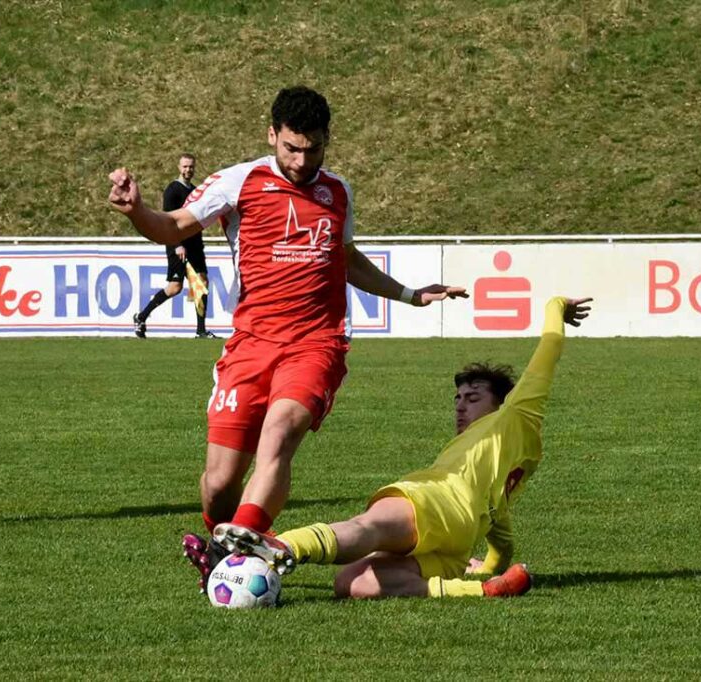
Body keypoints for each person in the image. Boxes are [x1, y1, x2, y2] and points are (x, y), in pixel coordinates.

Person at [108, 85, 467, 590]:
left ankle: (229, 555)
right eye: (291, 148)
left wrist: (410, 294)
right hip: (250, 345)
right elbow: (174, 227)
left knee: (278, 434)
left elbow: (347, 260)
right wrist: (135, 212)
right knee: (217, 486)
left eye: (313, 149)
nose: (301, 161)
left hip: (316, 344)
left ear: (327, 141)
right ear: (271, 134)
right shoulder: (239, 182)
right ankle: (230, 542)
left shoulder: (337, 192)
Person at [217, 296, 592, 600]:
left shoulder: (518, 413)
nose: (460, 405)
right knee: (353, 582)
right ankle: (476, 591)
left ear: (502, 403)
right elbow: (501, 530)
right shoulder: (515, 460)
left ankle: (282, 545)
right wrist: (491, 568)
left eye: (473, 397)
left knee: (370, 526)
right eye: (457, 398)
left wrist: (556, 305)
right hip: (456, 544)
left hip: (439, 499)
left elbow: (550, 347)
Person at [132, 153, 218, 339]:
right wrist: (176, 244)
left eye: (191, 167)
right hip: (177, 244)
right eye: (185, 166)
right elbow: (168, 219)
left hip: (195, 244)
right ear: (179, 167)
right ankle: (141, 317)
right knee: (174, 288)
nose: (188, 170)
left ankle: (201, 331)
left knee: (201, 283)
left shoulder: (196, 191)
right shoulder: (173, 190)